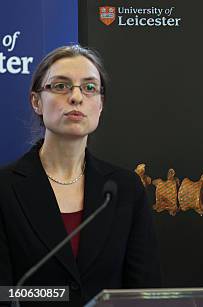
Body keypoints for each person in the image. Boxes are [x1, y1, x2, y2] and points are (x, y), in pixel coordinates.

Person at [0, 45, 162, 306]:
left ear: (100, 104)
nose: (76, 97)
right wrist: (57, 295)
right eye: (61, 86)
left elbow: (145, 291)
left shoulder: (125, 188)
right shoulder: (5, 188)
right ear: (36, 101)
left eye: (89, 88)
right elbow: (4, 293)